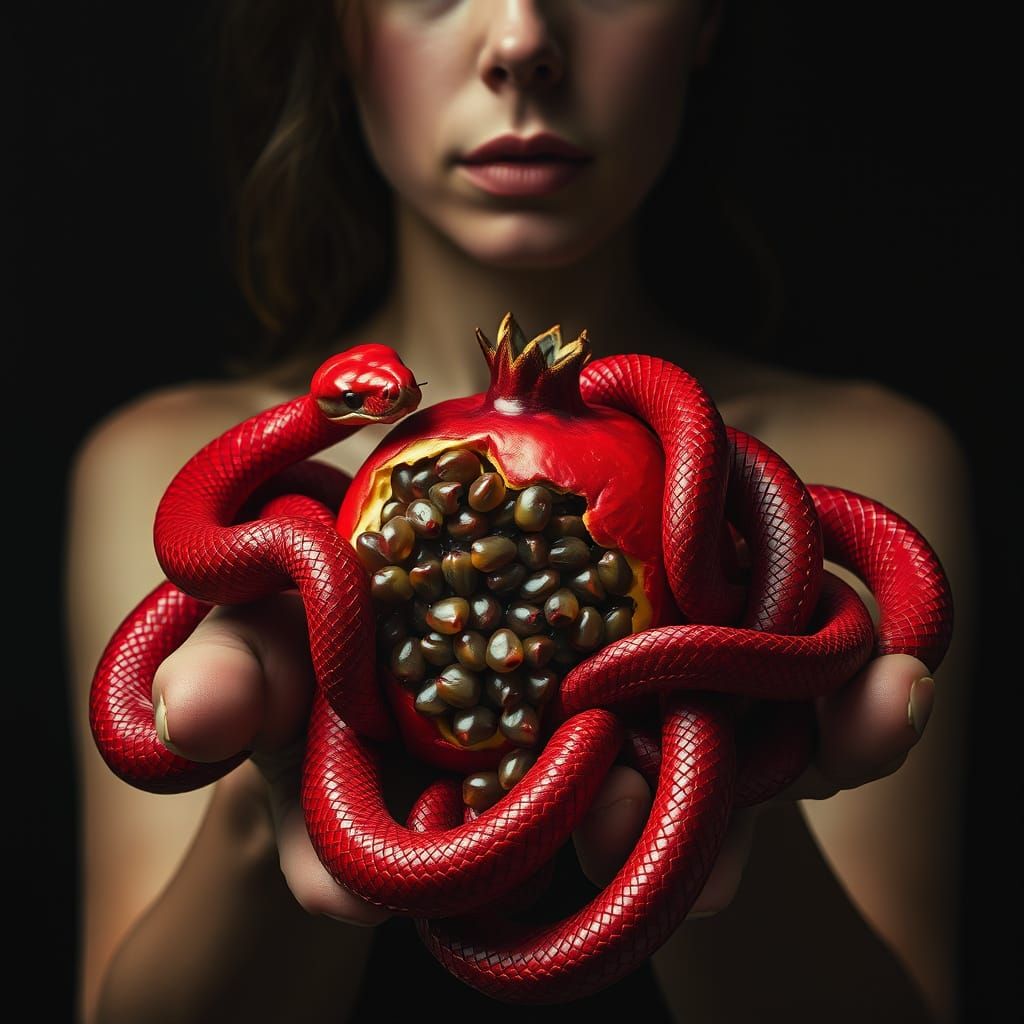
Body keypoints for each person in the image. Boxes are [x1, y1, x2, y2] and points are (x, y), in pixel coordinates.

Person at [64, 2, 976, 1022]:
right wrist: (276, 757)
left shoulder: (868, 464)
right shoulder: (157, 465)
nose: (521, 44)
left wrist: (720, 772)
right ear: (336, 27)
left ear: (706, 19)